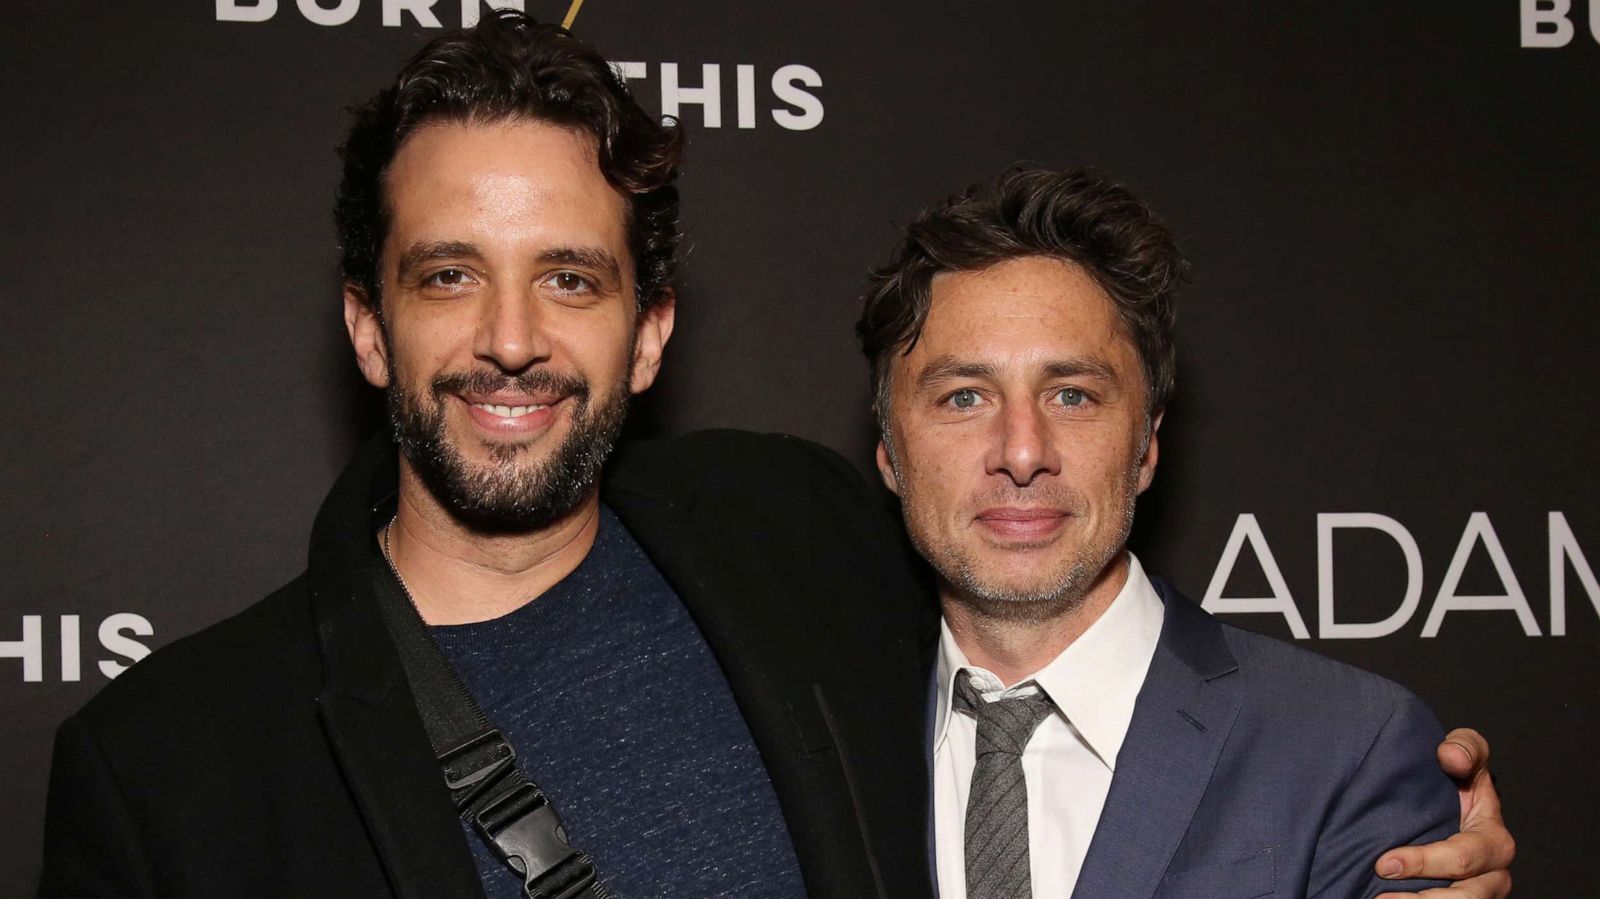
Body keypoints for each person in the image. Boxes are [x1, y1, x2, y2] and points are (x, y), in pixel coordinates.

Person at [38, 12, 1510, 899]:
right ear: (366, 325)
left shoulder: (797, 538)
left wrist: (1381, 830)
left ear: (652, 328)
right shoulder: (172, 768)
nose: (508, 338)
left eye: (570, 277)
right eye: (443, 277)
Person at [855, 166, 1515, 898]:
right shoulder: (816, 745)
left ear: (1146, 444)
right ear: (890, 451)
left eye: (1072, 394)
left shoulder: (1346, 749)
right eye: (964, 395)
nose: (1021, 450)